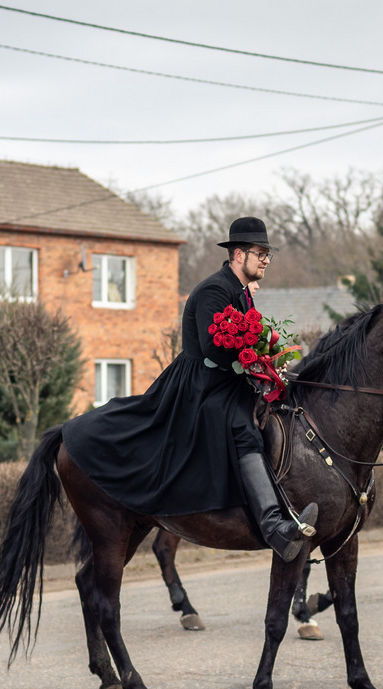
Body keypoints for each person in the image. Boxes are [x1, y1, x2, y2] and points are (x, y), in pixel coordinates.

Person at [61, 217, 316, 563]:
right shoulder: (214, 289)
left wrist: (266, 366)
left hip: (227, 380)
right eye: (261, 253)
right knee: (243, 426)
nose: (266, 259)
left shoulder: (241, 294)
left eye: (268, 253)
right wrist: (250, 364)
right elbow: (214, 349)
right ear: (238, 255)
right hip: (201, 385)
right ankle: (272, 526)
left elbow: (244, 344)